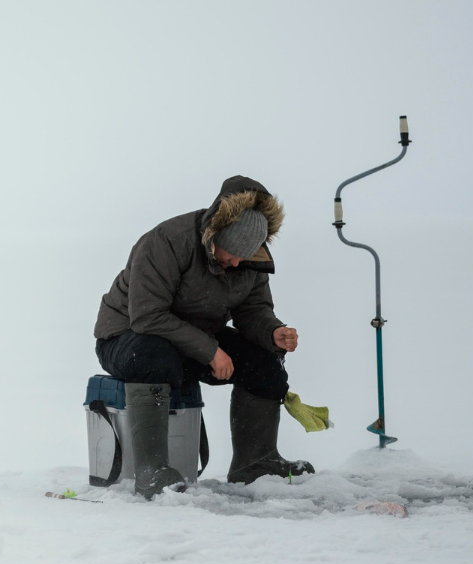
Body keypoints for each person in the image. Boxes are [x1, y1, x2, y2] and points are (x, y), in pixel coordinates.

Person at [93, 175, 314, 499]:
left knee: (266, 363)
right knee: (154, 357)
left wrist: (273, 331)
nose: (236, 262)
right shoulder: (166, 242)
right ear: (215, 234)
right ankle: (152, 473)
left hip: (192, 340)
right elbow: (147, 317)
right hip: (126, 337)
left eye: (245, 257)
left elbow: (253, 310)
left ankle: (255, 465)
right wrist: (210, 350)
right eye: (230, 253)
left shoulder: (250, 259)